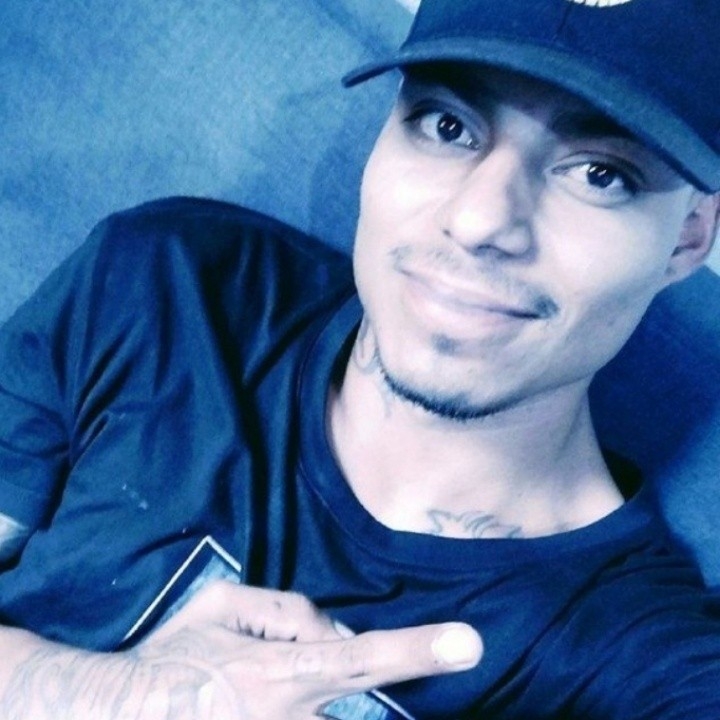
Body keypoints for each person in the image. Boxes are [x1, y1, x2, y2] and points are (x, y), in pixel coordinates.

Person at [0, 0, 719, 717]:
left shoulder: (642, 662)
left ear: (690, 235)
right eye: (447, 126)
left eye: (599, 173)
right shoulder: (169, 287)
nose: (479, 221)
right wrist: (110, 694)